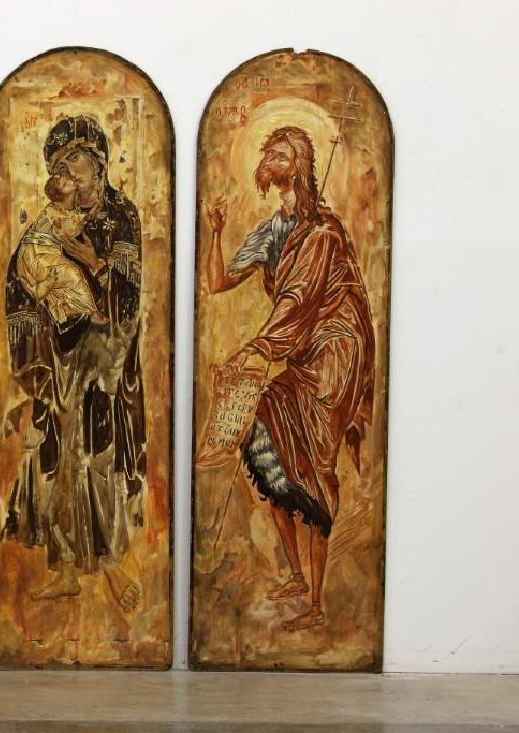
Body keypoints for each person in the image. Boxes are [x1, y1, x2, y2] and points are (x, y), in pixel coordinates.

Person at [206, 126, 375, 632]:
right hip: (298, 351)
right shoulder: (270, 230)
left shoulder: (323, 231)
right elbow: (217, 282)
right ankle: (297, 577)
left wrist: (260, 346)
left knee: (318, 468)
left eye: (280, 155)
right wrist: (215, 232)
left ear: (299, 164)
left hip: (336, 350)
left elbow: (300, 297)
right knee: (261, 433)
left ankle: (319, 603)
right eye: (267, 154)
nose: (269, 161)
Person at [2, 115, 147, 612]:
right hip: (58, 353)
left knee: (96, 455)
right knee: (56, 457)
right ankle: (64, 567)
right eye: (61, 164)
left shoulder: (120, 216)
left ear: (99, 163)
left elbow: (130, 295)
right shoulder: (49, 219)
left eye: (77, 159)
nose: (69, 171)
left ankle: (111, 564)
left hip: (104, 357)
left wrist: (93, 263)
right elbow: (20, 276)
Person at [15, 172, 107, 326]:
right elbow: (68, 231)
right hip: (37, 254)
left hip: (41, 254)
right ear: (60, 195)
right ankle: (92, 312)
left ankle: (58, 298)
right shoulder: (55, 212)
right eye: (65, 184)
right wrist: (87, 218)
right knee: (72, 273)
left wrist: (88, 216)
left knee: (64, 277)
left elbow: (72, 223)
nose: (70, 180)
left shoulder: (65, 210)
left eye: (67, 180)